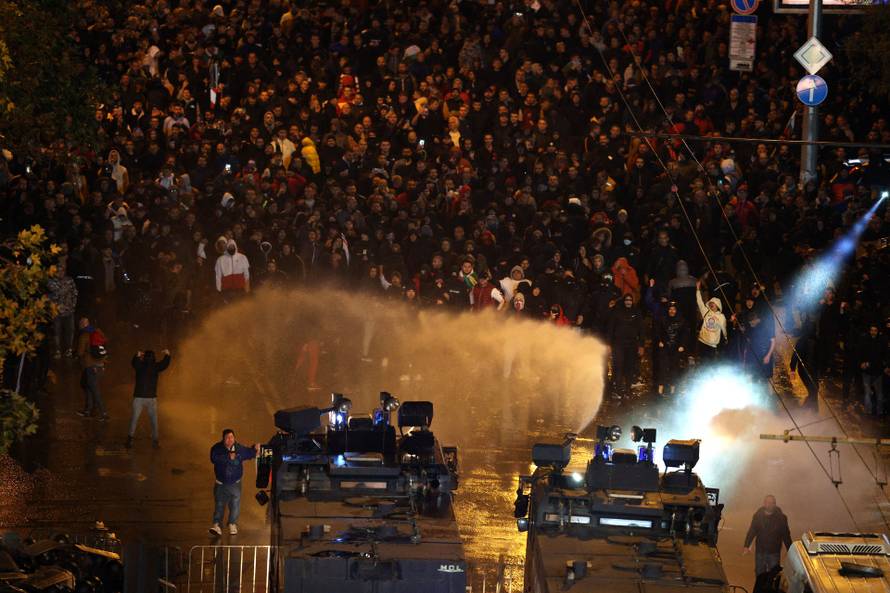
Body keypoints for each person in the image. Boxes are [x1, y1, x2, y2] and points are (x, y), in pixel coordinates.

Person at [209, 429, 259, 536]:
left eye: (231, 437)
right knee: (219, 505)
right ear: (223, 439)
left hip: (235, 484)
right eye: (227, 437)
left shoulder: (239, 449)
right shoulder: (217, 448)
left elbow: (250, 453)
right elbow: (213, 458)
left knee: (235, 505)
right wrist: (228, 457)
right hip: (221, 484)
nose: (230, 439)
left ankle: (232, 523)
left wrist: (256, 448)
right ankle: (217, 525)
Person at [127, 349, 171, 449]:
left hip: (138, 397)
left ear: (144, 357)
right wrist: (167, 354)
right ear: (154, 358)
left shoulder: (139, 366)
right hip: (151, 398)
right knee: (154, 421)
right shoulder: (156, 367)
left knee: (134, 419)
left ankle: (129, 440)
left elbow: (134, 362)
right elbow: (165, 364)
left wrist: (137, 355)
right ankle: (155, 442)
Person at [743, 495, 792, 578]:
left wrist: (790, 550)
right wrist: (746, 545)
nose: (769, 504)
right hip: (760, 551)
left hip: (774, 552)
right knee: (759, 575)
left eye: (772, 503)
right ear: (764, 503)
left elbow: (786, 534)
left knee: (773, 576)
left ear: (775, 504)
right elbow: (752, 531)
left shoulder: (781, 518)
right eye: (767, 502)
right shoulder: (757, 516)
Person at [75, 317, 108, 420]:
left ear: (82, 325)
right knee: (89, 387)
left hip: (90, 367)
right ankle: (88, 411)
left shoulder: (84, 336)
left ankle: (104, 413)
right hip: (101, 366)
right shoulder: (98, 331)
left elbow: (80, 352)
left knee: (95, 390)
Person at [696, 279, 727, 359]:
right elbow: (699, 302)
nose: (711, 304)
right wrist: (698, 290)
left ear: (717, 305)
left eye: (713, 303)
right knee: (701, 363)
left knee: (710, 365)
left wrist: (726, 337)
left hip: (712, 345)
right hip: (702, 341)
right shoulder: (706, 312)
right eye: (710, 303)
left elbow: (724, 328)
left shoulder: (721, 316)